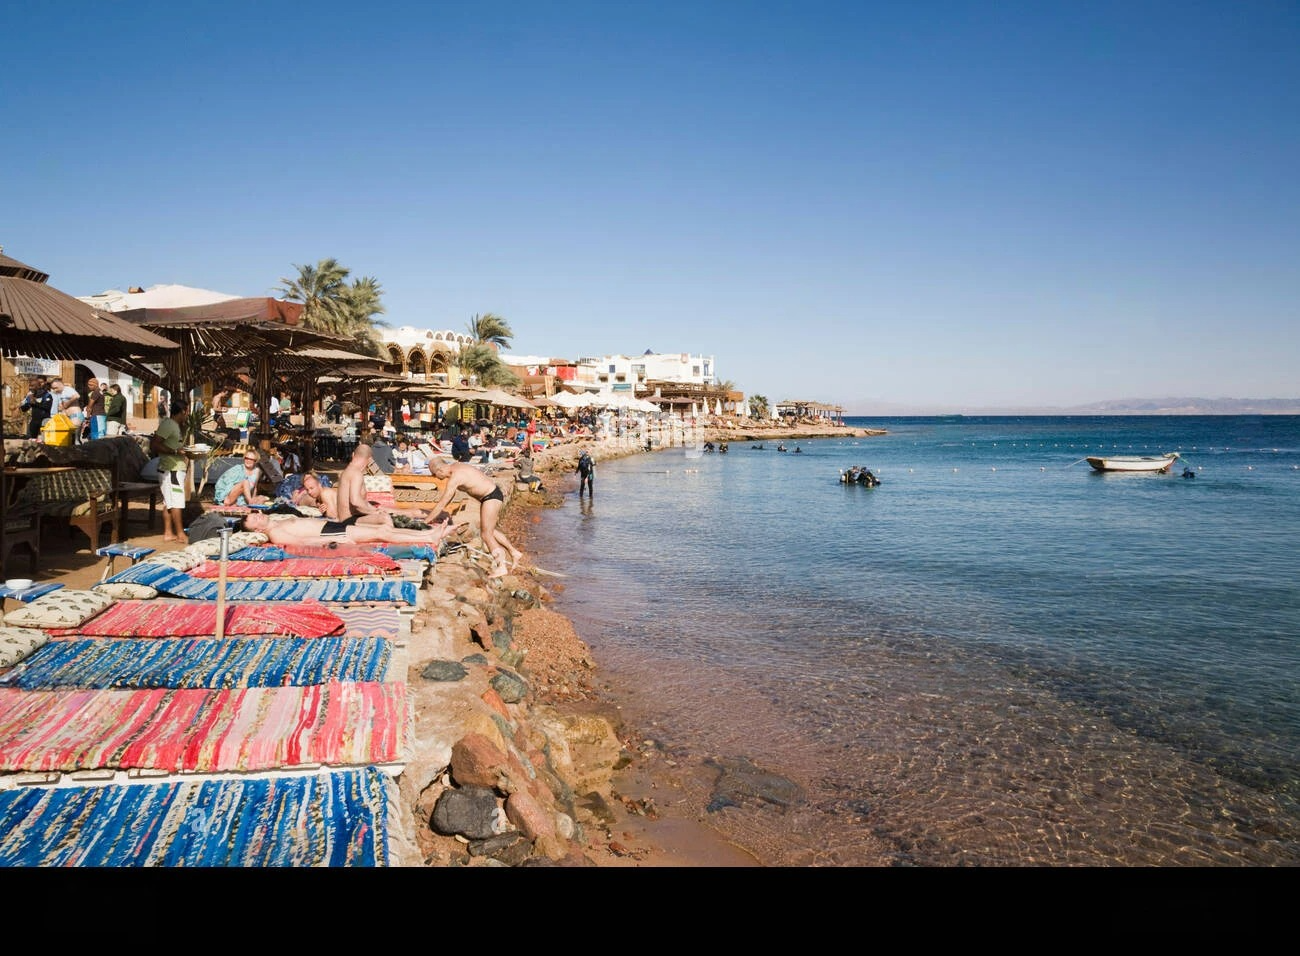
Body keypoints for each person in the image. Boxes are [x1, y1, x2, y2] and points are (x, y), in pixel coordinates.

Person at [431, 460, 523, 578]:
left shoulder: (456, 475)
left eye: (434, 474)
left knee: (486, 535)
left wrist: (426, 521)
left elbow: (442, 502)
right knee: (490, 530)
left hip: (490, 497)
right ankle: (514, 552)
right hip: (492, 495)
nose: (435, 477)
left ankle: (501, 566)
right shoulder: (456, 466)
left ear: (440, 470)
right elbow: (449, 497)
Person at [241, 511, 456, 548]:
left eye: (256, 514)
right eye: (255, 519)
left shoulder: (276, 522)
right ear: (256, 529)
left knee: (382, 529)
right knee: (381, 533)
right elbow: (300, 543)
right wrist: (331, 543)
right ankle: (429, 538)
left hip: (330, 526)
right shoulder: (275, 533)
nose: (259, 516)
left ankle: (428, 534)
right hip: (328, 534)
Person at [152, 399, 190, 542]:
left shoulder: (174, 425)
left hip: (172, 468)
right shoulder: (169, 425)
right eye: (186, 412)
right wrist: (174, 451)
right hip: (171, 469)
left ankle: (168, 533)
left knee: (168, 502)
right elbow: (155, 444)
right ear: (183, 411)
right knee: (177, 502)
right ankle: (180, 534)